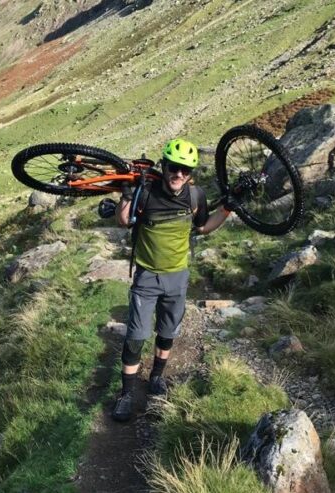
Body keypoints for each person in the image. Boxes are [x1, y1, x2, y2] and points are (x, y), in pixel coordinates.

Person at [112, 138, 236, 422]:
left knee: (167, 333)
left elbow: (203, 227)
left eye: (185, 170)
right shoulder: (147, 194)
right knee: (135, 337)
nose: (178, 174)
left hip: (177, 277)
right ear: (164, 166)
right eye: (174, 167)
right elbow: (122, 220)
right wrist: (127, 194)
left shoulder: (195, 197)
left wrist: (227, 210)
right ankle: (126, 395)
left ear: (191, 173)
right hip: (147, 276)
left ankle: (156, 377)